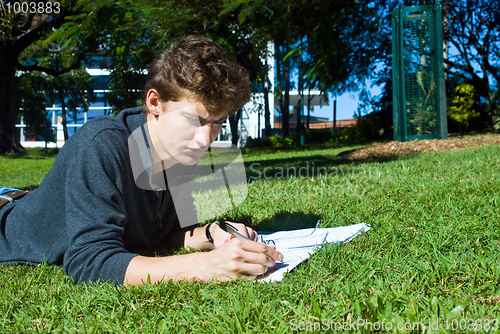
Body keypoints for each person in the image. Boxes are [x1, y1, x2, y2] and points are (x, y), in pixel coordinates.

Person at [0, 36, 283, 286]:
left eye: (216, 122)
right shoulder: (101, 146)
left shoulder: (180, 149)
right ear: (155, 102)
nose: (205, 139)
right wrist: (207, 266)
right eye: (193, 120)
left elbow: (166, 235)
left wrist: (211, 234)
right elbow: (90, 262)